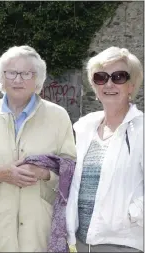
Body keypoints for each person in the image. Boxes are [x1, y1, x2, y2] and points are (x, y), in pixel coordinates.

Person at [0, 45, 77, 252]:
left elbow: (72, 170)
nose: (17, 79)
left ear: (38, 79)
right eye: (11, 73)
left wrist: (44, 173)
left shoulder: (58, 117)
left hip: (40, 229)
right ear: (1, 78)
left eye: (26, 73)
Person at [66, 47, 143, 252]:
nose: (109, 83)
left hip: (124, 242)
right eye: (101, 77)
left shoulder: (141, 130)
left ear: (131, 85)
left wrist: (134, 213)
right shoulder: (84, 128)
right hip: (85, 241)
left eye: (119, 77)